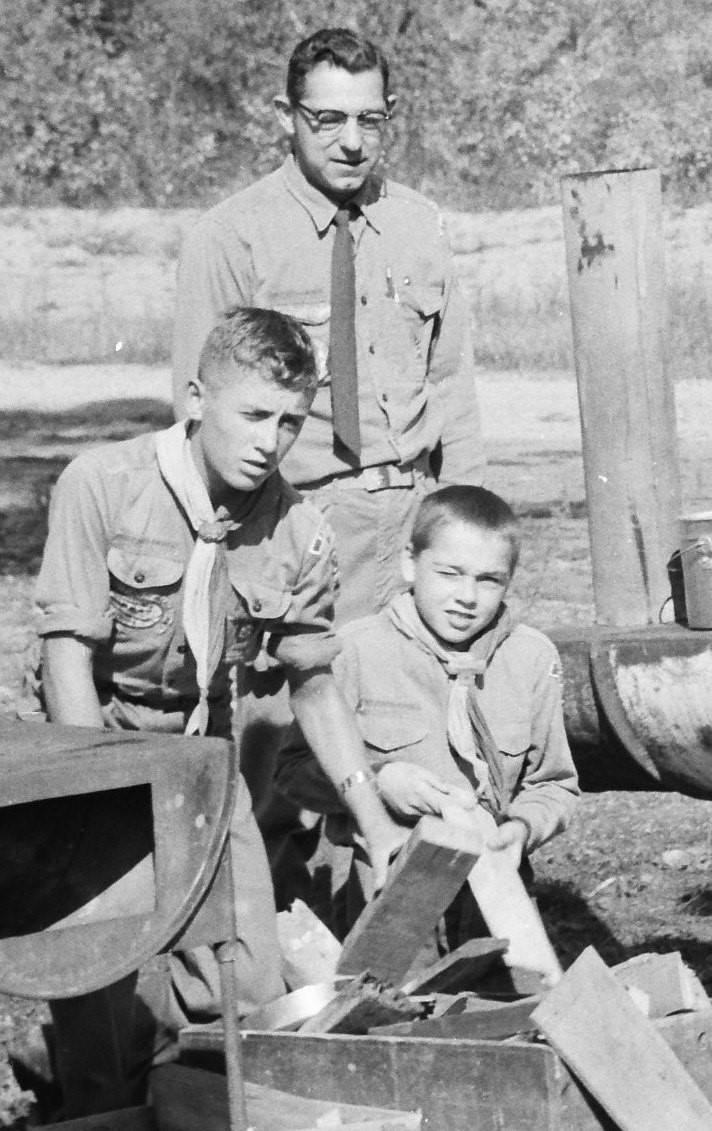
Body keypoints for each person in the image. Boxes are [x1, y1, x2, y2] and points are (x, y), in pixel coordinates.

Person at [30, 307, 406, 1116]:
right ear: (198, 398)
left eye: (291, 421)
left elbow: (313, 682)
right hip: (91, 744)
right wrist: (104, 804)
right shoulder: (102, 485)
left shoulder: (297, 530)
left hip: (205, 759)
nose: (271, 440)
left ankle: (210, 1108)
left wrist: (375, 820)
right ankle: (85, 1090)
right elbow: (67, 660)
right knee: (102, 1002)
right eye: (254, 414)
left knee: (246, 988)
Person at [169, 25, 485, 902]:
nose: (351, 141)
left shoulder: (419, 226)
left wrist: (466, 528)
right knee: (275, 756)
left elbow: (451, 384)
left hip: (407, 523)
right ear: (285, 117)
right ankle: (258, 966)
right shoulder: (230, 238)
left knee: (412, 742)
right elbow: (198, 420)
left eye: (371, 120)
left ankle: (402, 958)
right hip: (291, 529)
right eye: (327, 119)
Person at [275, 485, 578, 978]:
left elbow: (554, 784)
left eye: (489, 580)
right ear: (410, 564)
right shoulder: (356, 651)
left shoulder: (531, 658)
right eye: (449, 573)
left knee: (501, 1023)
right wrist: (380, 779)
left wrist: (521, 830)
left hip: (495, 895)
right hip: (386, 888)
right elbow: (291, 771)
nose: (466, 596)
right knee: (394, 1025)